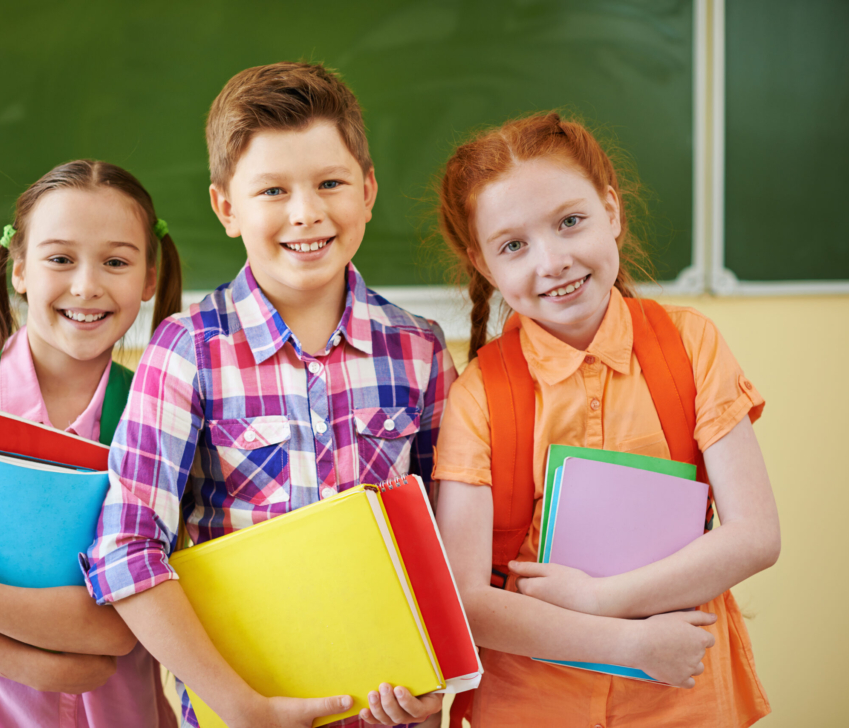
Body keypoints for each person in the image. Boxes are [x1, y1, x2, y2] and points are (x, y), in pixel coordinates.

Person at [82, 62, 455, 728]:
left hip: (388, 707)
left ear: (368, 190)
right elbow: (125, 549)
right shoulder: (186, 350)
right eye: (273, 190)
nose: (306, 213)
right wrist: (241, 706)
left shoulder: (419, 349)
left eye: (330, 183)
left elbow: (447, 544)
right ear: (227, 208)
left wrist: (439, 689)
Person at [432, 112, 780, 727]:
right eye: (514, 245)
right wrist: (627, 642)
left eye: (570, 222)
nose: (554, 260)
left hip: (685, 692)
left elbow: (755, 536)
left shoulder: (690, 346)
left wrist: (601, 599)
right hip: (530, 705)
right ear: (484, 265)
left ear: (612, 214)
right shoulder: (479, 395)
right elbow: (468, 602)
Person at [0, 159, 183, 727]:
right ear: (19, 268)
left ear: (148, 279)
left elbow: (127, 622)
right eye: (60, 259)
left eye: (115, 261)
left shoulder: (157, 407)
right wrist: (42, 668)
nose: (87, 285)